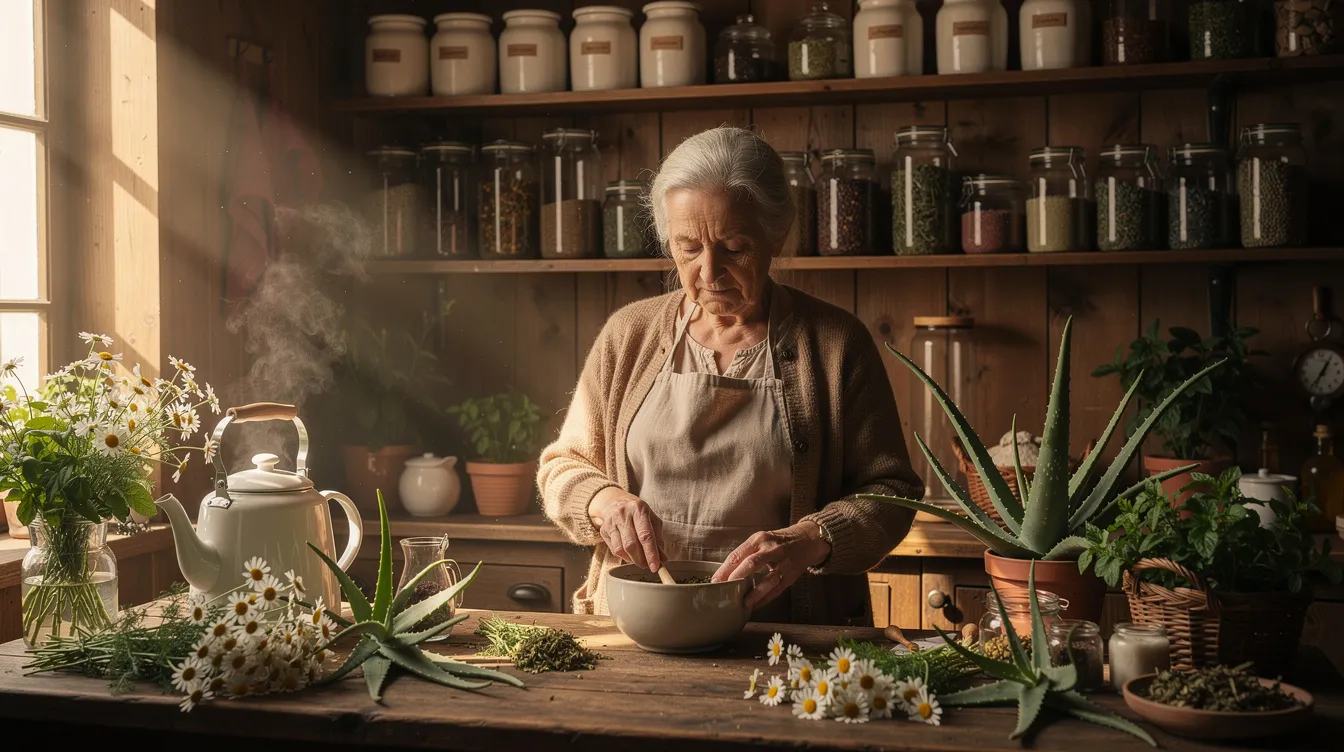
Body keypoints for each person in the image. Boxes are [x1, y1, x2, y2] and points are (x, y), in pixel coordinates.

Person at [537, 126, 924, 625]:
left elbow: (891, 492)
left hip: (787, 637)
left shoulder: (834, 344)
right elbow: (561, 469)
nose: (709, 271)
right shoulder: (628, 335)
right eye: (688, 247)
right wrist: (602, 500)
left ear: (775, 235)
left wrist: (809, 541)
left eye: (734, 246)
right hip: (633, 628)